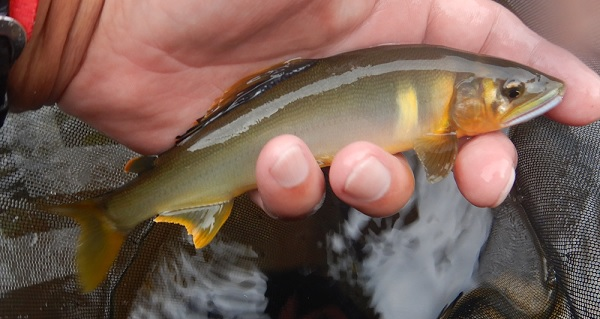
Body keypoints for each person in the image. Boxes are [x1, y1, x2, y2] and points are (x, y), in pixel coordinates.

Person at [7, 0, 600, 220]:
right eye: (509, 93)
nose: (521, 99)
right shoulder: (444, 120)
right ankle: (119, 212)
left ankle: (124, 210)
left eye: (511, 92)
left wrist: (71, 23)